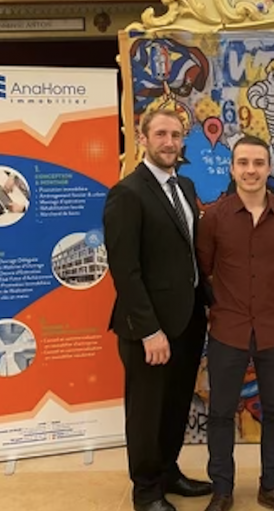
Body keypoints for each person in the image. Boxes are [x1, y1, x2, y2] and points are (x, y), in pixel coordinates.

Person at [104, 108, 213, 511]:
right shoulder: (128, 193)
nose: (170, 142)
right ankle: (146, 491)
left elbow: (186, 255)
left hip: (186, 321)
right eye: (161, 134)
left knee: (175, 405)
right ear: (143, 138)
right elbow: (125, 269)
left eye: (176, 135)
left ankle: (168, 470)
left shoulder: (183, 186)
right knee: (146, 411)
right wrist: (149, 330)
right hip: (148, 329)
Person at [196, 135, 274, 511]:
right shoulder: (214, 217)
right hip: (228, 329)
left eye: (258, 163)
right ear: (232, 168)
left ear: (269, 168)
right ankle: (222, 490)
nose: (250, 170)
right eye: (243, 163)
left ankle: (271, 486)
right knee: (221, 412)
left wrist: (273, 302)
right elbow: (205, 269)